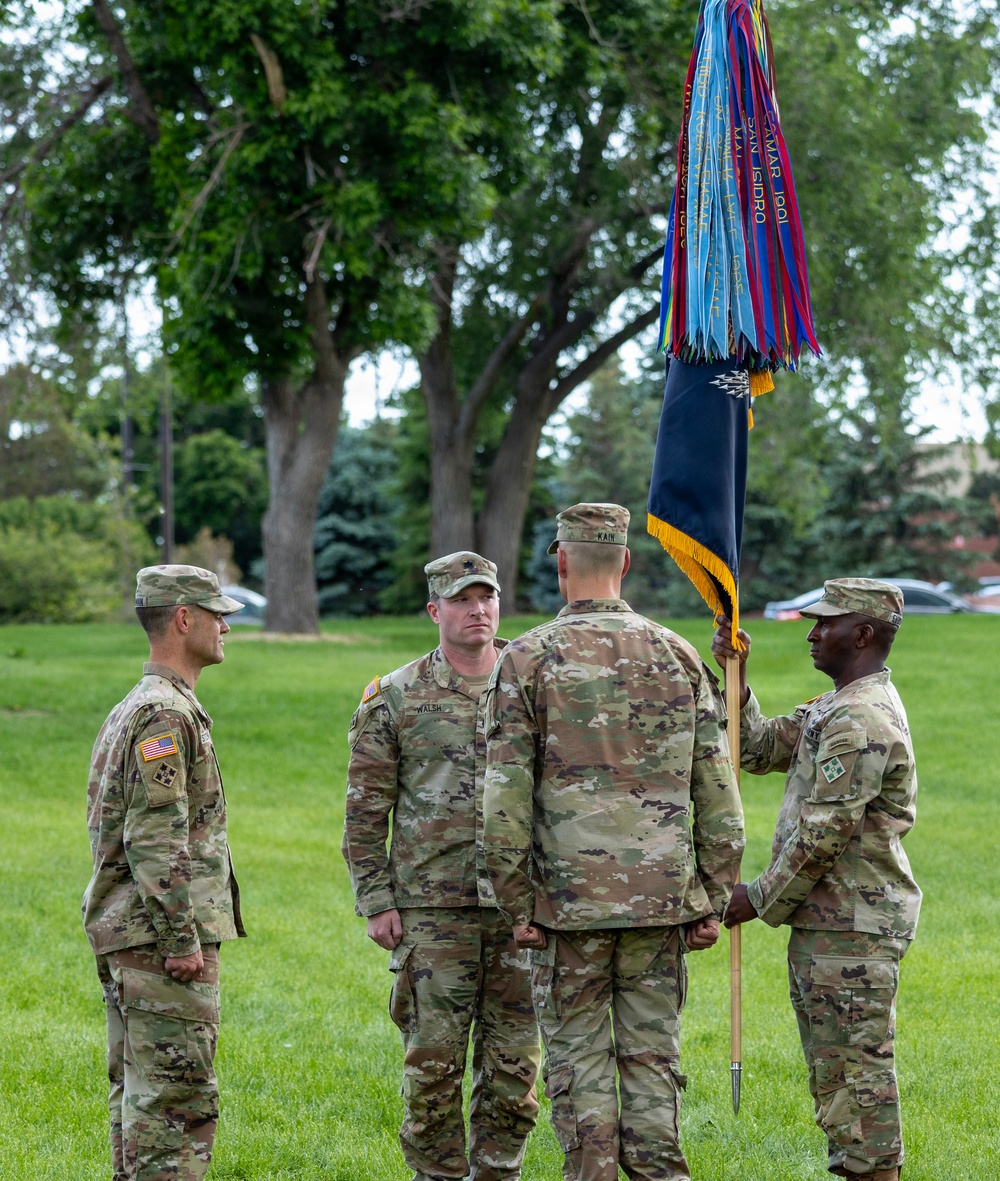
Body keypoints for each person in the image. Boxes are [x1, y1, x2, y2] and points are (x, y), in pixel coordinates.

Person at [483, 503, 745, 1181]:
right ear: (625, 561)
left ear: (562, 562)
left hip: (565, 907)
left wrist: (515, 904)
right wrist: (712, 897)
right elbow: (720, 798)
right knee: (653, 1059)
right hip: (661, 904)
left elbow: (503, 802)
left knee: (579, 1061)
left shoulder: (525, 659)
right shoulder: (678, 654)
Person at [712, 578, 921, 1181]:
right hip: (832, 925)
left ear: (862, 634)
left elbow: (825, 833)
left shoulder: (861, 717)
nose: (812, 633)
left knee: (857, 1087)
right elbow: (756, 748)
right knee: (838, 1085)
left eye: (825, 623)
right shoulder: (837, 706)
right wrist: (736, 678)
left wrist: (755, 898)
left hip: (852, 929)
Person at [342, 551, 539, 1181]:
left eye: (487, 597)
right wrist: (377, 900)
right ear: (435, 610)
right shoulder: (396, 697)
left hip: (519, 910)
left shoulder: (533, 684)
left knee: (514, 1072)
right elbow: (365, 810)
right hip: (432, 912)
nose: (478, 610)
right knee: (432, 1070)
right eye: (461, 600)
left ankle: (499, 1172)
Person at [83, 565, 247, 1181]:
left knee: (141, 1100)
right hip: (158, 943)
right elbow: (155, 838)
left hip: (133, 934)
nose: (226, 626)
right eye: (216, 614)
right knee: (175, 1107)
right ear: (184, 618)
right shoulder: (164, 715)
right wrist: (181, 939)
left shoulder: (142, 705)